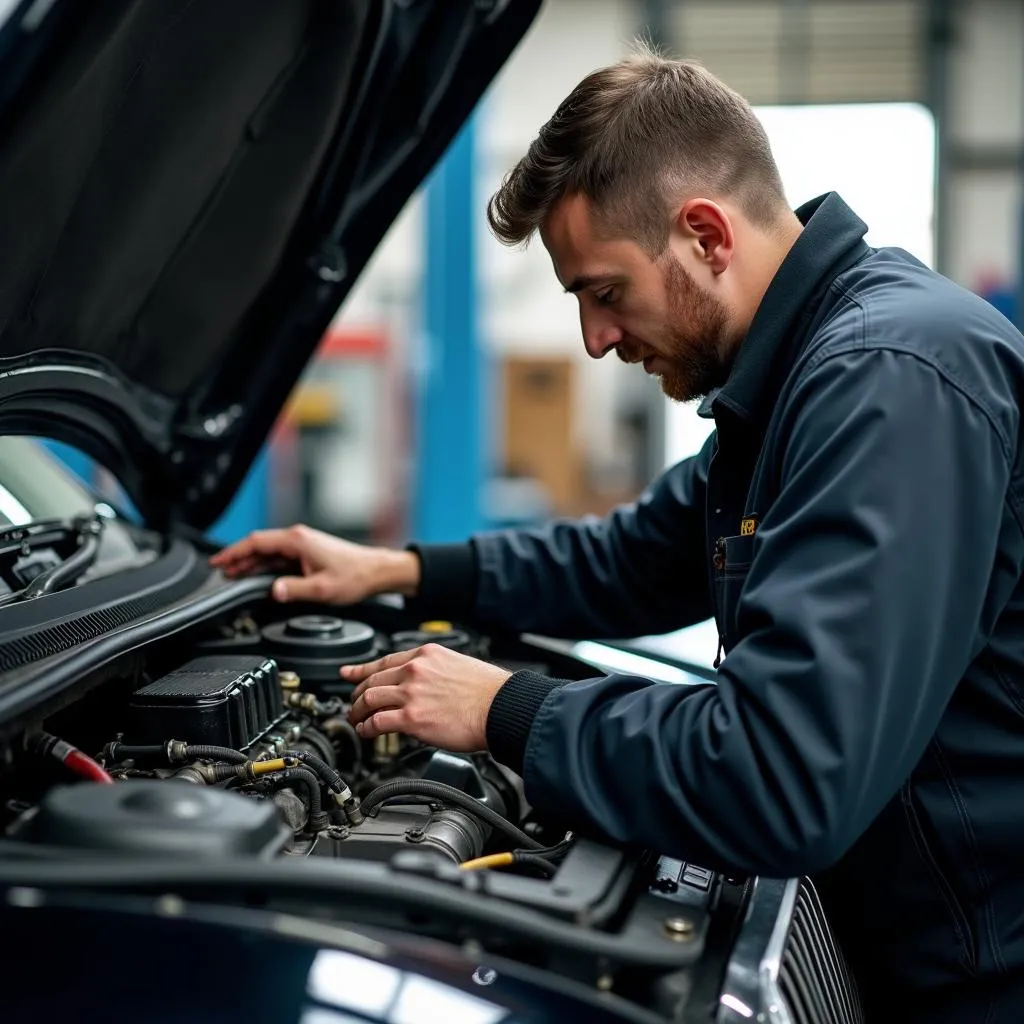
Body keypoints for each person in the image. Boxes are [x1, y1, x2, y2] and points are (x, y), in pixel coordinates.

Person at [211, 44, 1024, 1023]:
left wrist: (507, 709)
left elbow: (784, 772)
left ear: (705, 236)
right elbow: (631, 559)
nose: (595, 340)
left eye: (602, 291)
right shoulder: (796, 382)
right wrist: (398, 570)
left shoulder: (887, 380)